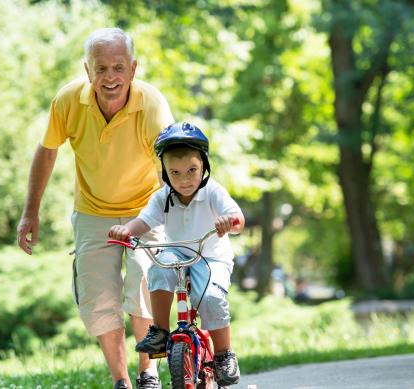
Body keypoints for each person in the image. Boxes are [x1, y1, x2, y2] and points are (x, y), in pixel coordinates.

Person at [16, 27, 174, 389]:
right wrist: (31, 211)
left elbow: (170, 166)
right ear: (87, 71)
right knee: (98, 298)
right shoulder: (69, 100)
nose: (110, 78)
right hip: (92, 212)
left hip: (145, 212)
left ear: (133, 69)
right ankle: (121, 381)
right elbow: (48, 150)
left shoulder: (151, 104)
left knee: (144, 282)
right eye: (100, 69)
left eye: (118, 67)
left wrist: (182, 214)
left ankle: (147, 372)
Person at [108, 122, 245, 386]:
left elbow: (238, 217)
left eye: (192, 170)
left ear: (204, 166)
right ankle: (159, 330)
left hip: (211, 256)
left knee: (212, 298)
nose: (184, 179)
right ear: (165, 173)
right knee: (158, 268)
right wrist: (126, 230)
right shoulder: (162, 198)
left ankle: (224, 354)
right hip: (176, 255)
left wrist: (230, 221)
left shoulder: (213, 192)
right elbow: (144, 221)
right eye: (175, 172)